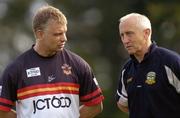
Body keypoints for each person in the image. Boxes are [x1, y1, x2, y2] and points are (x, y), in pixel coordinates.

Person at [0, 5, 104, 118]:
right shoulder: (16, 69)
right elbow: (2, 110)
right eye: (58, 34)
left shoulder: (78, 65)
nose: (64, 38)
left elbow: (96, 105)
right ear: (40, 34)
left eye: (64, 32)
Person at [115, 13, 180, 118]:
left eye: (129, 34)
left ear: (146, 33)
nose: (125, 40)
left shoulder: (171, 62)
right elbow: (122, 103)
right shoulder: (127, 69)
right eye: (122, 35)